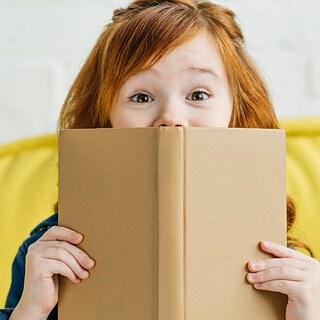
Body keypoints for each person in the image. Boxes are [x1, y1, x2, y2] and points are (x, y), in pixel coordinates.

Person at [1, 0, 319, 319]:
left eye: (198, 95)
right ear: (104, 115)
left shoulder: (279, 261)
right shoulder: (50, 254)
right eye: (141, 97)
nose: (170, 117)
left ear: (235, 110)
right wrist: (31, 309)